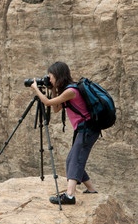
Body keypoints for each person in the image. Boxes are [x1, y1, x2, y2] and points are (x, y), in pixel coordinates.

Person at [30, 61, 100, 205]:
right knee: (72, 160)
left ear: (57, 75)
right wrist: (53, 89)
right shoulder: (67, 90)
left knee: (75, 160)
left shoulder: (71, 91)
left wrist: (36, 89)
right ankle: (91, 189)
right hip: (84, 130)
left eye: (51, 77)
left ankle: (69, 195)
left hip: (87, 130)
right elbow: (56, 109)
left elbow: (48, 104)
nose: (49, 79)